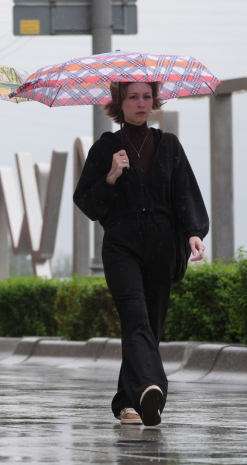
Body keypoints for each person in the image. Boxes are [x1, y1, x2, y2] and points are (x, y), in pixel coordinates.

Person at [73, 81, 209, 427]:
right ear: (119, 103)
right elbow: (87, 203)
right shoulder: (107, 147)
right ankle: (152, 386)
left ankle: (128, 403)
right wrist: (112, 176)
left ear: (154, 101)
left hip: (163, 246)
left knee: (151, 327)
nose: (141, 103)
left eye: (147, 96)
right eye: (133, 97)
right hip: (121, 245)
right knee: (136, 319)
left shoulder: (169, 145)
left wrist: (194, 232)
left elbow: (184, 193)